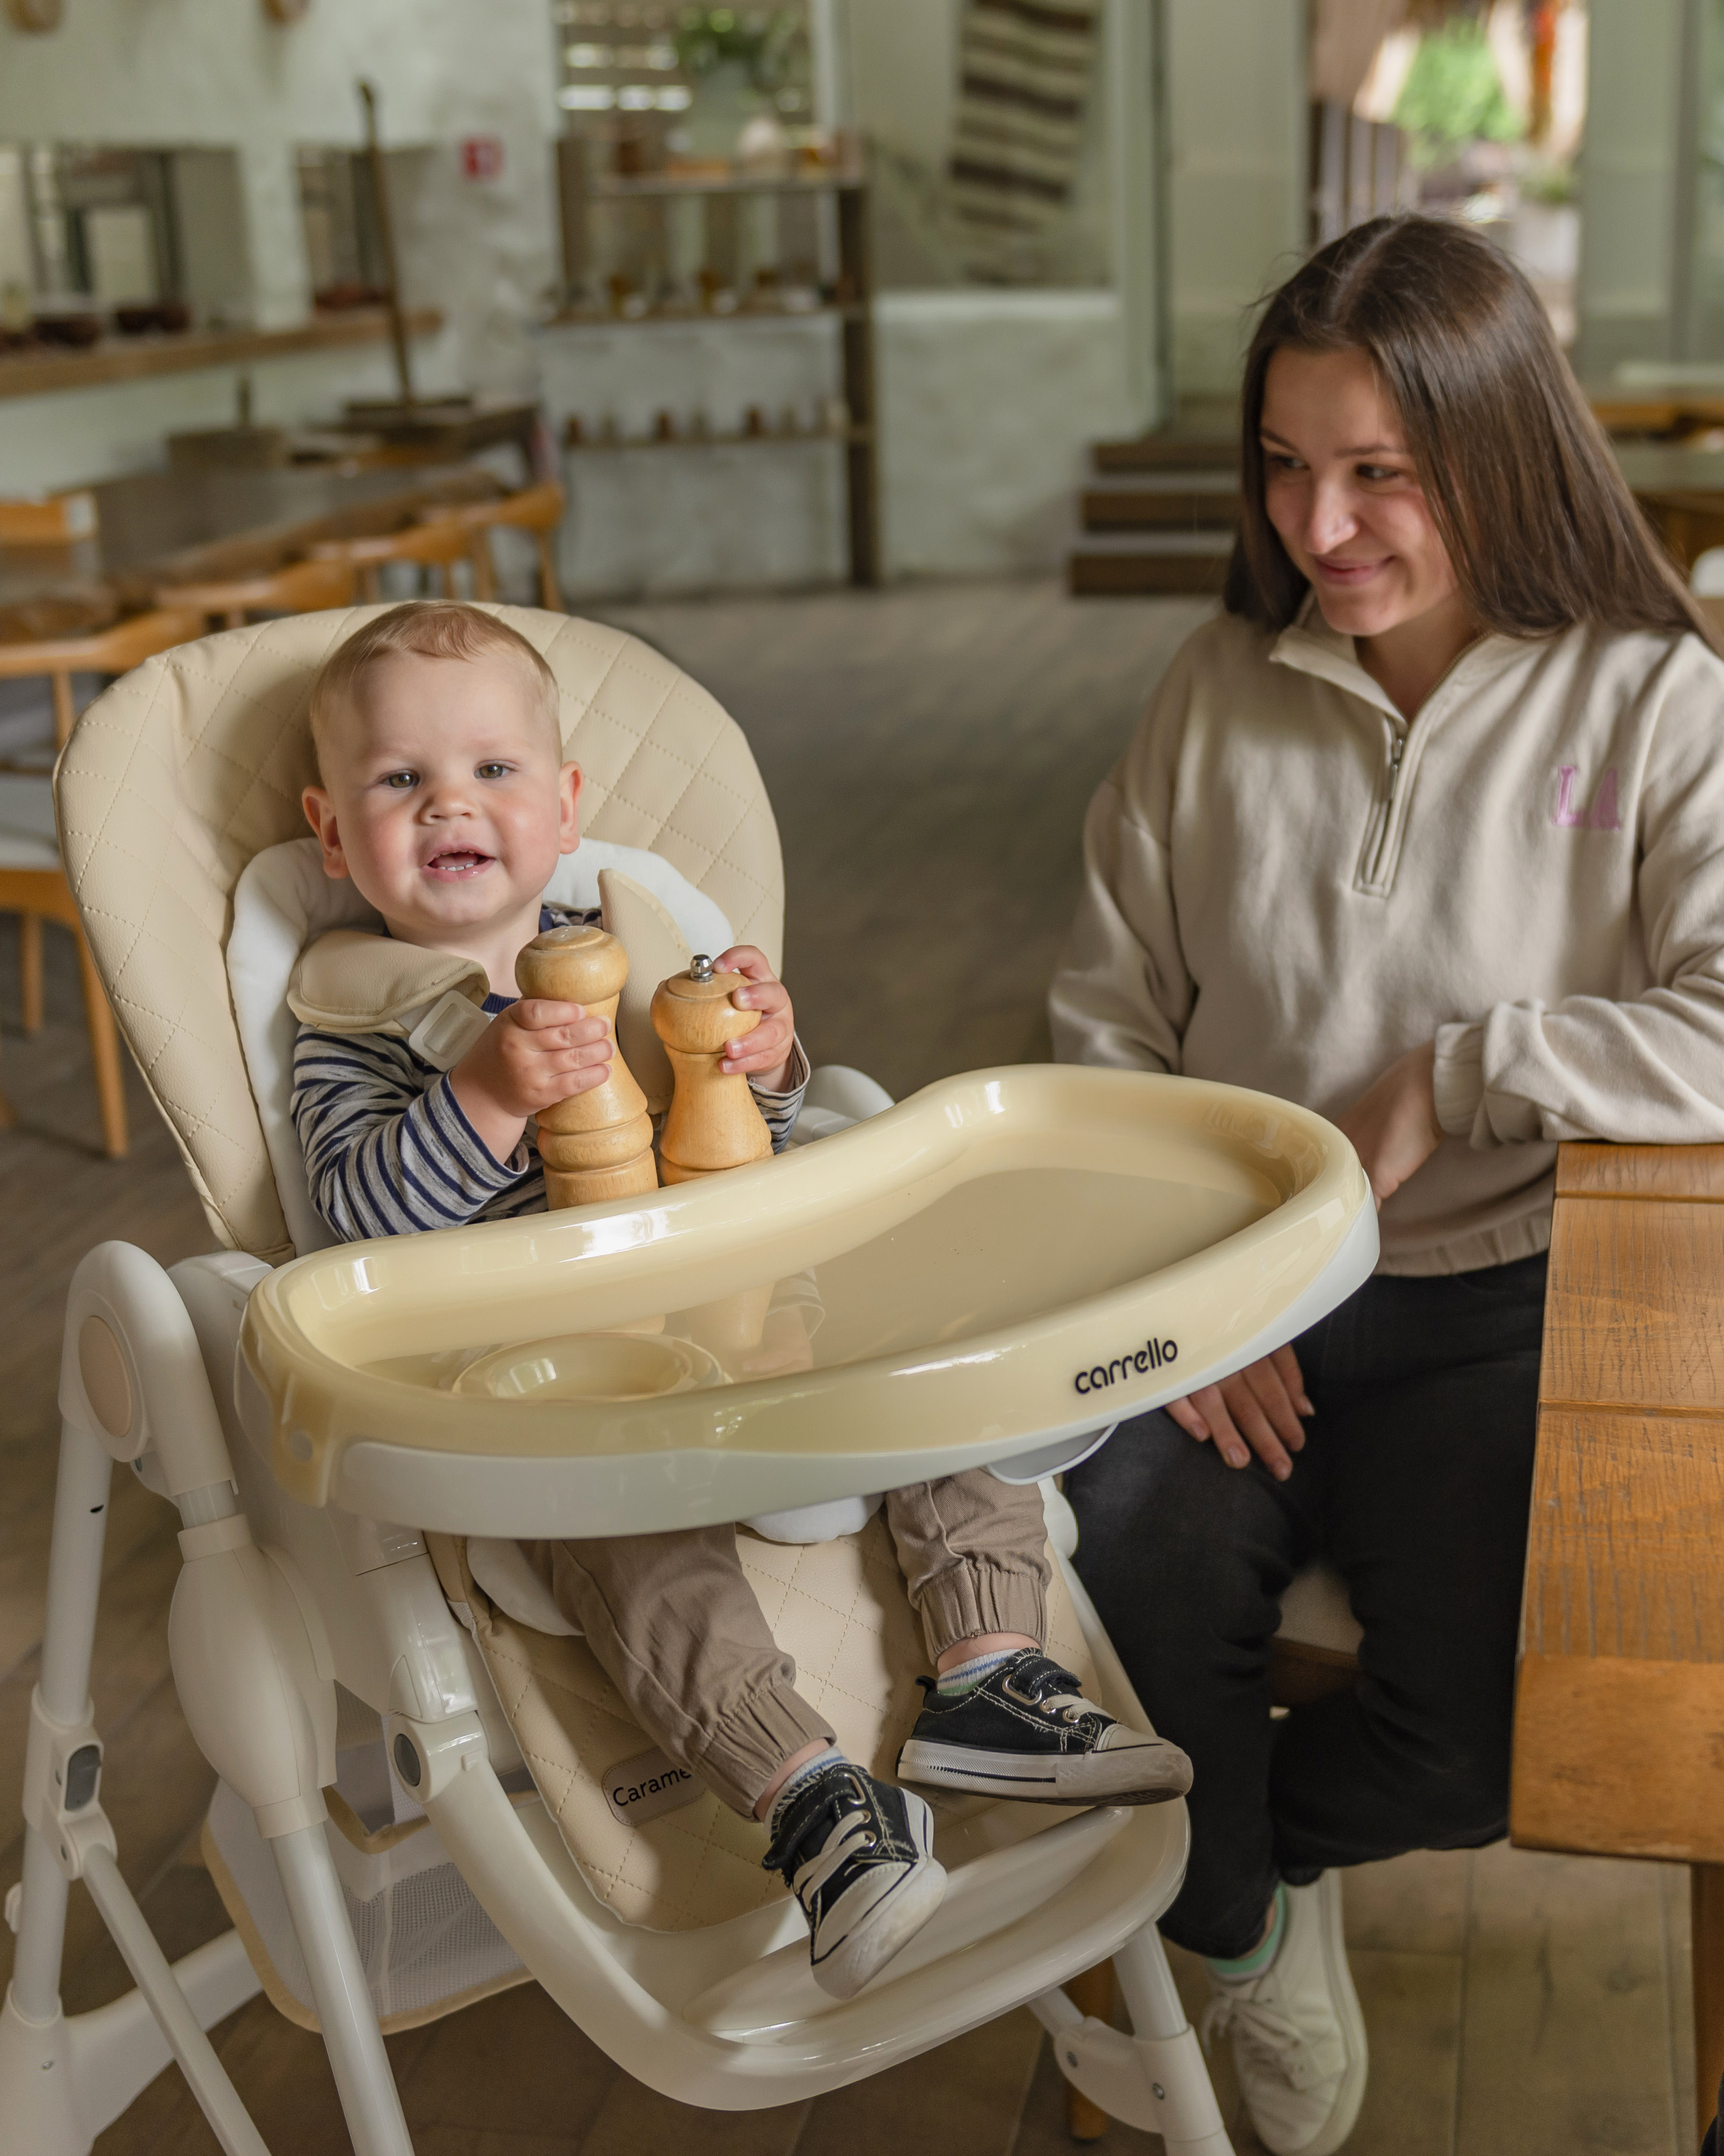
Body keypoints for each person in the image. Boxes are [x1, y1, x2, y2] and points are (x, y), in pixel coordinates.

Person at [1050, 214, 1724, 2156]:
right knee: (1122, 1599)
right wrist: (1182, 1294)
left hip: (1509, 1298)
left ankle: (1227, 1883)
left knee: (1499, 1734)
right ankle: (1245, 1929)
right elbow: (1098, 1033)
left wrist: (1462, 1068)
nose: (1317, 524)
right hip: (1220, 1292)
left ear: (1495, 457)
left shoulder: (1652, 701)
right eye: (1283, 463)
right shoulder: (1207, 688)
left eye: (1377, 474)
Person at [290, 599, 1190, 2004]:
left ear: (567, 804)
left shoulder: (644, 935)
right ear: (334, 836)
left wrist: (762, 1052)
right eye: (399, 782)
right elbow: (353, 1223)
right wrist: (480, 1097)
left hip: (758, 1294)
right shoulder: (354, 1027)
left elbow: (763, 1115)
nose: (449, 804)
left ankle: (991, 1669)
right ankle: (815, 1801)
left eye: (492, 772)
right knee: (622, 1543)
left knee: (937, 1366)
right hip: (568, 1369)